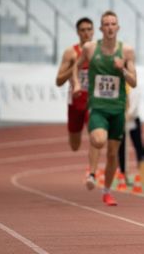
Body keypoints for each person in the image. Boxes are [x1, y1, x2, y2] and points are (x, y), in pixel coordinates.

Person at [72, 10, 137, 206]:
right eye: (106, 24)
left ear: (117, 28)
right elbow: (76, 66)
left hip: (118, 108)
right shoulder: (91, 48)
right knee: (98, 140)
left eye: (113, 24)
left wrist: (122, 69)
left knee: (112, 153)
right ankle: (91, 173)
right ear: (101, 28)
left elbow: (133, 82)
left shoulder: (126, 51)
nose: (109, 27)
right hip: (98, 106)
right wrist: (76, 84)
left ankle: (107, 191)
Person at [55, 17, 101, 184]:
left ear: (94, 31)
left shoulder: (100, 50)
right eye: (83, 30)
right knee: (75, 145)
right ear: (78, 32)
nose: (86, 33)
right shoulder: (71, 52)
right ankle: (92, 171)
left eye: (89, 29)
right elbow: (59, 80)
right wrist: (75, 68)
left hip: (94, 101)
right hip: (75, 101)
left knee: (96, 136)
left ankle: (92, 174)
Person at [118, 84, 144, 178]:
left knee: (138, 145)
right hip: (121, 120)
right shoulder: (119, 85)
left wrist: (128, 115)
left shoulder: (135, 87)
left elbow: (134, 105)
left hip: (133, 120)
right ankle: (123, 172)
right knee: (121, 147)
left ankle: (142, 170)